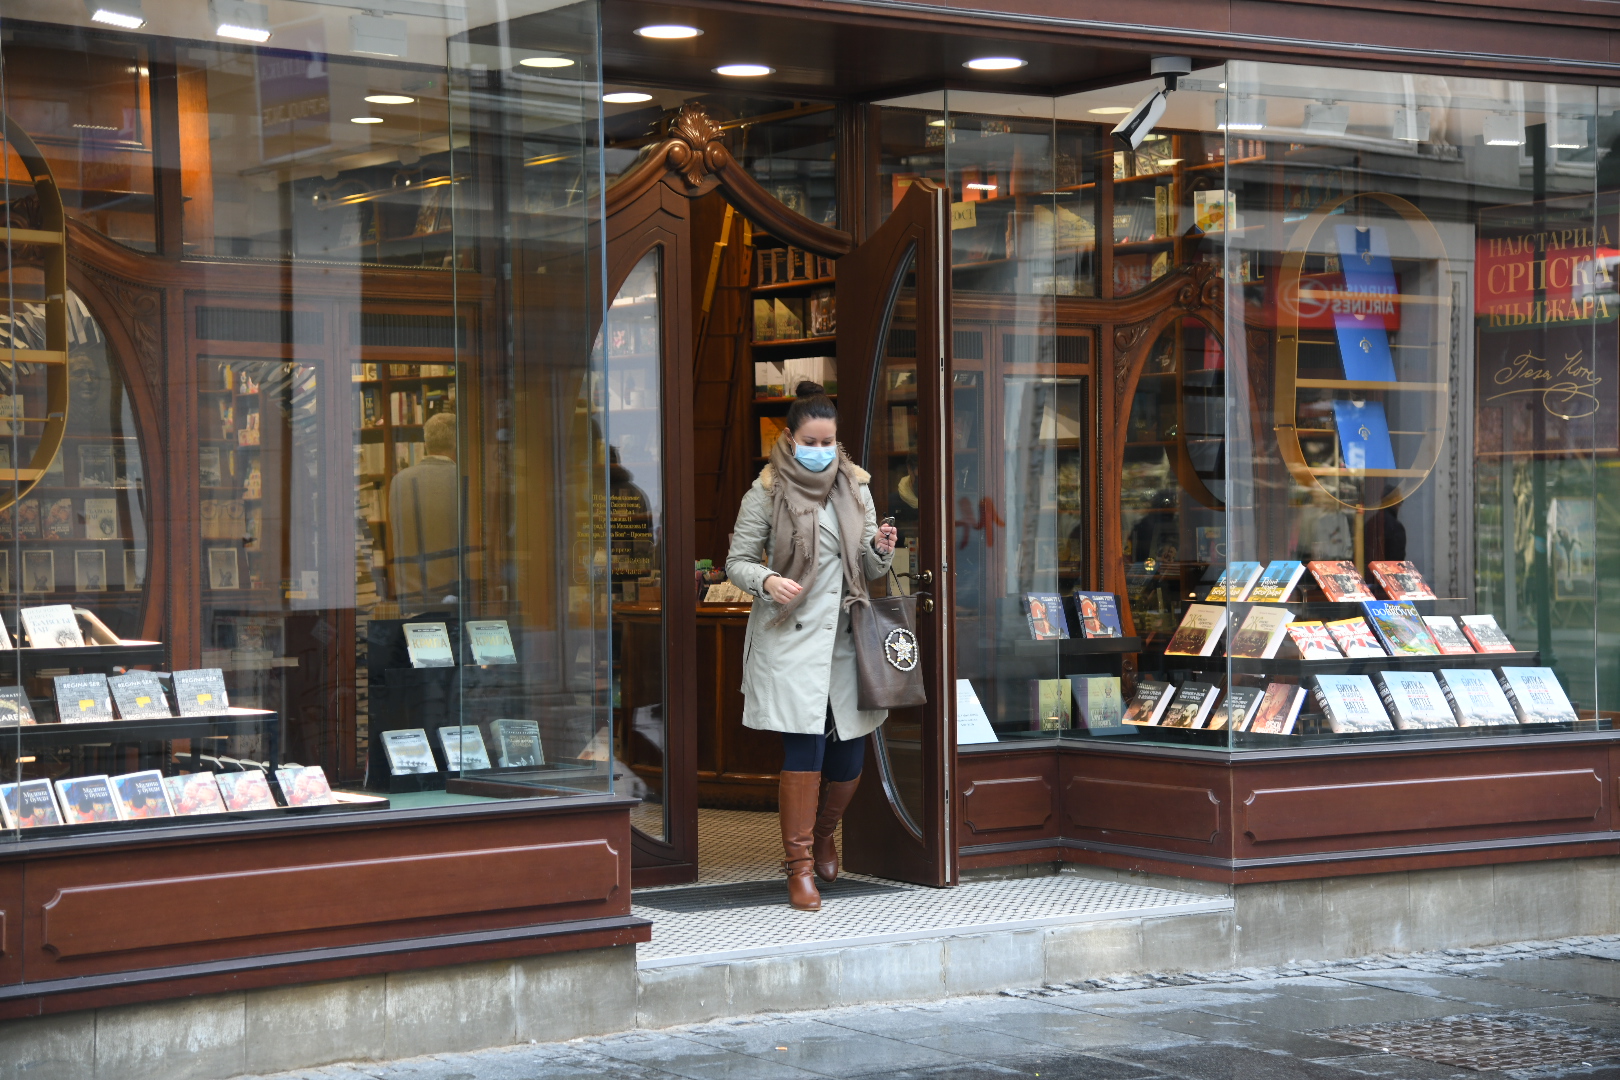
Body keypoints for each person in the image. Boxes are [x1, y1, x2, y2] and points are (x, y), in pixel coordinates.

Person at [726, 383, 898, 911]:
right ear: (790, 437)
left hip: (847, 640)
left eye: (830, 440)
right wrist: (768, 581)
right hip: (790, 636)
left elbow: (869, 570)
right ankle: (799, 866)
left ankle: (825, 834)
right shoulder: (766, 490)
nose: (822, 448)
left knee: (849, 753)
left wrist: (881, 549)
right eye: (812, 439)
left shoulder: (856, 489)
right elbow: (736, 561)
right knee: (805, 749)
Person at [389, 411, 460, 604]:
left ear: (426, 443)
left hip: (411, 596)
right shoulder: (462, 479)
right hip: (456, 596)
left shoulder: (399, 480)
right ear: (458, 441)